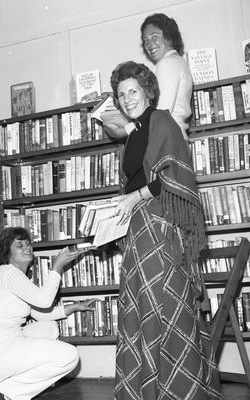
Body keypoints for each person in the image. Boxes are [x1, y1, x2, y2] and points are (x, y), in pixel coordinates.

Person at [108, 62, 222, 400]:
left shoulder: (163, 121)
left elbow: (174, 179)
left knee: (165, 310)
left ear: (146, 91)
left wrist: (135, 197)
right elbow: (133, 181)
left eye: (132, 91)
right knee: (141, 310)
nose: (127, 98)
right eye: (121, 94)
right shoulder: (130, 135)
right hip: (137, 232)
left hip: (161, 229)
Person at [0, 227, 96, 400]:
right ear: (7, 252)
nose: (27, 247)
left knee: (50, 328)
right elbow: (44, 301)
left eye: (28, 243)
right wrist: (57, 266)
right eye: (20, 245)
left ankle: (10, 389)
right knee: (70, 356)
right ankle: (14, 392)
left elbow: (41, 314)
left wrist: (75, 307)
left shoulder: (14, 276)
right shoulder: (9, 274)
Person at [104, 13, 192, 141]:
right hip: (173, 138)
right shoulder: (177, 61)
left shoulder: (167, 64)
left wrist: (122, 131)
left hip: (167, 140)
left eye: (155, 36)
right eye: (145, 39)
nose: (149, 43)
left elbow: (160, 114)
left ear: (169, 37)